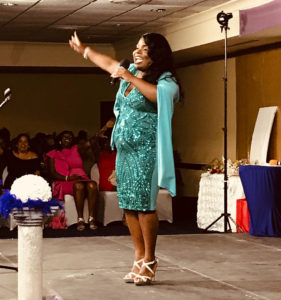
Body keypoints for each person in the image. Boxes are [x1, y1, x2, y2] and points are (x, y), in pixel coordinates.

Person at [69, 31, 180, 285]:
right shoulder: (127, 71)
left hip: (146, 152)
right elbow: (109, 63)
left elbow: (159, 97)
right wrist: (85, 50)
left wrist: (130, 77)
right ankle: (139, 257)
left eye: (144, 49)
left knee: (145, 206)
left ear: (156, 55)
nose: (136, 52)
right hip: (124, 152)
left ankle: (150, 259)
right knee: (129, 205)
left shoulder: (167, 81)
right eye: (137, 47)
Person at [46, 130, 98, 231]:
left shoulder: (76, 149)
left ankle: (91, 218)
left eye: (70, 137)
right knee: (79, 186)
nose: (67, 138)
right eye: (65, 136)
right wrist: (67, 178)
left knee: (93, 185)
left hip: (81, 177)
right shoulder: (53, 153)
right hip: (64, 181)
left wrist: (99, 133)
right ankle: (80, 219)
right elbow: (52, 173)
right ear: (59, 140)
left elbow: (89, 143)